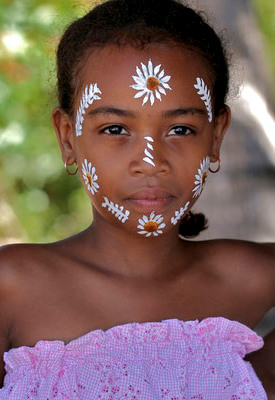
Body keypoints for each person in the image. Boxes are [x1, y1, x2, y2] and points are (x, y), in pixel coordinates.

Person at [0, 0, 274, 398]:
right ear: (67, 137)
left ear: (216, 137)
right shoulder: (13, 287)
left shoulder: (256, 278)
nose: (150, 162)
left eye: (180, 129)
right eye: (115, 128)